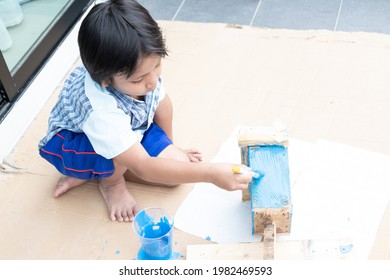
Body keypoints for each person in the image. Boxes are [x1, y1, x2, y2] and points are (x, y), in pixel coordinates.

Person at [38, 0, 251, 223]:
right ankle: (110, 183)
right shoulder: (100, 113)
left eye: (157, 66)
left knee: (177, 172)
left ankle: (94, 171)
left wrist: (170, 145)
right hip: (74, 141)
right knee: (122, 157)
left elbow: (163, 105)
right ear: (105, 81)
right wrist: (211, 174)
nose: (152, 82)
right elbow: (143, 167)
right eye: (139, 79)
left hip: (129, 123)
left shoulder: (140, 71)